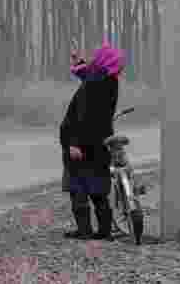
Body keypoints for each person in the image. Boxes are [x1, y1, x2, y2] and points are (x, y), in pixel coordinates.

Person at [60, 41, 124, 240]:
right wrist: (78, 63)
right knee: (98, 190)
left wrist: (74, 143)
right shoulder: (108, 80)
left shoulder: (94, 84)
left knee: (77, 187)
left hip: (83, 144)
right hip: (100, 143)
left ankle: (85, 230)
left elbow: (83, 116)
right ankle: (104, 231)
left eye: (98, 56)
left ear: (102, 60)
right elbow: (88, 74)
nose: (94, 57)